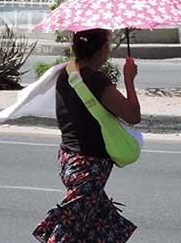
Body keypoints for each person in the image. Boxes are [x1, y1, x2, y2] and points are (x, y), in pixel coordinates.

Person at [33, 28, 141, 243]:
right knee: (67, 231)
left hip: (69, 160)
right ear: (102, 50)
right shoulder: (95, 80)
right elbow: (132, 115)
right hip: (88, 169)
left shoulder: (67, 74)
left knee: (101, 226)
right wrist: (129, 79)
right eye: (108, 45)